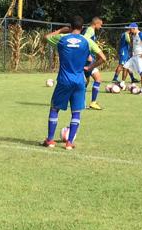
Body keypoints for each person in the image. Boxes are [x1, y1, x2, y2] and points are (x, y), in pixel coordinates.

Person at [43, 17, 106, 150]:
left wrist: (61, 30)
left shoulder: (62, 39)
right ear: (82, 28)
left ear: (70, 27)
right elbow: (103, 58)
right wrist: (90, 67)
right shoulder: (87, 41)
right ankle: (69, 143)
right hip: (79, 81)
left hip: (64, 80)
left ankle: (50, 141)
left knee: (54, 109)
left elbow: (46, 37)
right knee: (76, 112)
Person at [83, 17, 105, 110]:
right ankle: (92, 102)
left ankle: (83, 103)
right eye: (100, 25)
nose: (101, 27)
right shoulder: (90, 30)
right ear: (96, 24)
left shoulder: (90, 30)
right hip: (88, 60)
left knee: (86, 82)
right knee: (97, 79)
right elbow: (84, 40)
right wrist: (88, 55)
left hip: (86, 59)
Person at [124, 23, 142, 91]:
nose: (129, 30)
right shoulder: (133, 35)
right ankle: (122, 84)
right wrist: (131, 52)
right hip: (135, 56)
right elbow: (133, 45)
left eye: (130, 29)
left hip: (141, 56)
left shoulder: (141, 34)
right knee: (125, 67)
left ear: (134, 28)